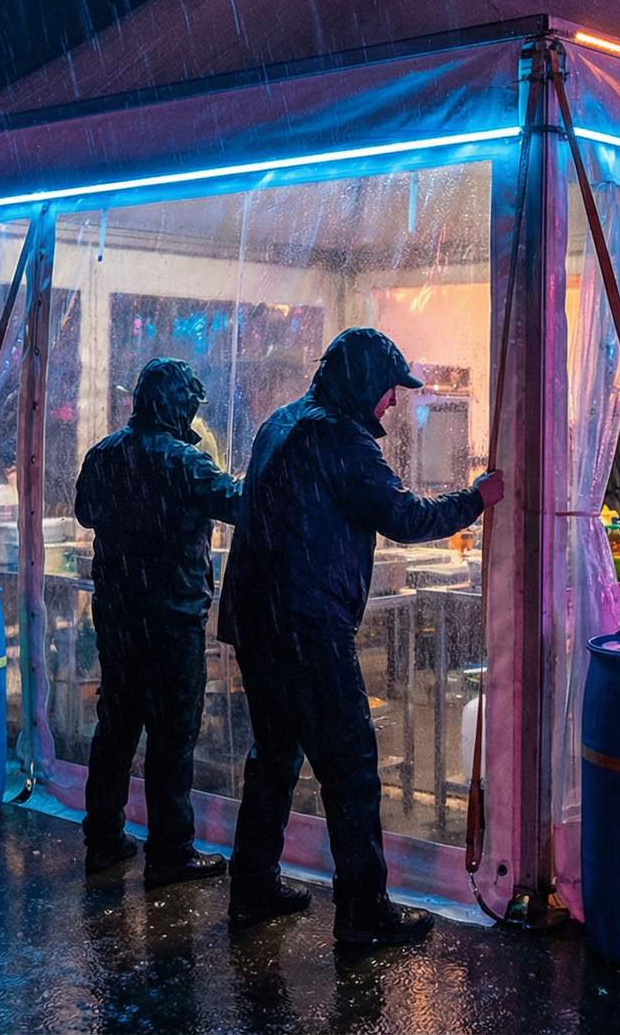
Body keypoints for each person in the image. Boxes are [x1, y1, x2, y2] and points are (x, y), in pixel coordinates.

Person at [218, 328, 503, 946]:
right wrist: (477, 499)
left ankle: (251, 889)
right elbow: (405, 517)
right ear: (363, 382)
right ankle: (363, 915)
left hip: (256, 621)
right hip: (305, 627)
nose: (393, 403)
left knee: (273, 759)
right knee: (351, 770)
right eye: (389, 389)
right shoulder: (342, 439)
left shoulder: (282, 422)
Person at [74, 358, 242, 883]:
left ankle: (103, 839)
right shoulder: (184, 462)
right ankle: (171, 852)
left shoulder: (103, 455)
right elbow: (241, 502)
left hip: (119, 618)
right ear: (178, 405)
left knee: (116, 729)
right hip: (171, 620)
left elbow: (84, 512)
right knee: (172, 738)